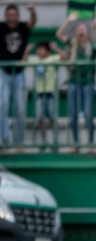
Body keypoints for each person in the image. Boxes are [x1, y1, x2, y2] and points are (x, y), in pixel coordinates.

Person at [56, 14, 96, 152]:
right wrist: (69, 21)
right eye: (79, 28)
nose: (81, 30)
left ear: (87, 32)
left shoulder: (92, 47)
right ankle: (75, 143)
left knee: (89, 114)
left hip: (88, 82)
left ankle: (90, 143)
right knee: (73, 114)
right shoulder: (72, 45)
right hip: (73, 82)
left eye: (84, 28)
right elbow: (59, 34)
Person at [0, 4, 36, 146]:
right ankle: (4, 138)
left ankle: (19, 141)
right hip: (3, 71)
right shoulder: (1, 28)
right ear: (5, 17)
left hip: (19, 73)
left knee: (20, 109)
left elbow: (32, 22)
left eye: (13, 15)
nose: (11, 18)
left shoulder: (23, 28)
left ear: (18, 16)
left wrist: (33, 12)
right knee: (2, 105)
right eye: (8, 15)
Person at [24, 41, 67, 146]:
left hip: (50, 92)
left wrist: (56, 48)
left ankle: (54, 140)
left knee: (52, 117)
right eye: (38, 50)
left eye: (41, 49)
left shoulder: (52, 59)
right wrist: (27, 50)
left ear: (48, 52)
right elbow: (24, 61)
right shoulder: (36, 60)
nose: (39, 52)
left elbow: (65, 57)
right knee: (39, 118)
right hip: (39, 93)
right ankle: (44, 140)